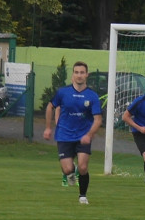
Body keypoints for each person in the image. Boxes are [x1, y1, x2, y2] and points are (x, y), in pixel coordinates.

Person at [43, 61, 102, 205]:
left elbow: (98, 119)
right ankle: (70, 171)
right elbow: (50, 107)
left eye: (82, 72)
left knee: (83, 167)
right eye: (76, 72)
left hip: (83, 136)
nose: (79, 75)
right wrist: (48, 128)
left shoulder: (92, 96)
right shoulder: (63, 92)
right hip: (64, 135)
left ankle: (83, 196)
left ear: (86, 75)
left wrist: (89, 134)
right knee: (67, 169)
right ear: (73, 74)